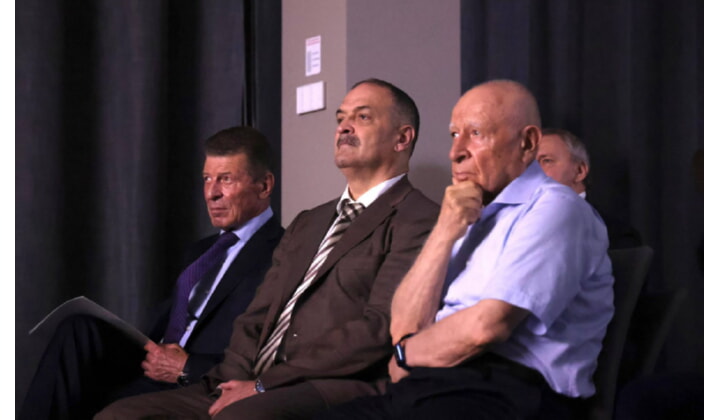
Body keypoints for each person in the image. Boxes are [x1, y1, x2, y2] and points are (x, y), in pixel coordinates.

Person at [95, 78, 440, 419]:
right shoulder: (308, 221)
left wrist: (265, 384)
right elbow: (257, 314)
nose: (344, 127)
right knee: (119, 415)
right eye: (340, 118)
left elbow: (379, 327)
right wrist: (230, 379)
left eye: (362, 117)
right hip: (250, 380)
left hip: (329, 384)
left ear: (402, 138)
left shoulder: (419, 219)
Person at [317, 80, 615, 419]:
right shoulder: (468, 214)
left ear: (527, 143)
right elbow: (403, 326)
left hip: (511, 391)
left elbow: (487, 327)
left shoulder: (555, 207)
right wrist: (444, 231)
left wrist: (405, 355)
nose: (455, 152)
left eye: (475, 133)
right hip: (436, 384)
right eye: (454, 135)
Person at [19, 126, 285, 420]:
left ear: (264, 186)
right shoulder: (200, 251)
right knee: (79, 329)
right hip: (153, 362)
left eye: (226, 179)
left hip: (198, 380)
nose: (212, 193)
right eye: (207, 179)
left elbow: (271, 355)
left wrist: (187, 367)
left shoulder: (284, 255)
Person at [537, 127, 643, 249]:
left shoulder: (616, 236)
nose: (532, 171)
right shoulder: (521, 223)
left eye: (546, 161)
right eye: (529, 164)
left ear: (579, 171)